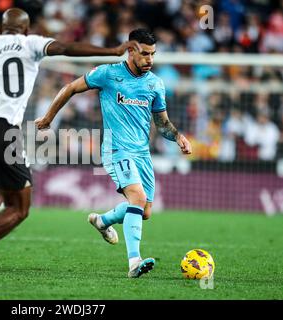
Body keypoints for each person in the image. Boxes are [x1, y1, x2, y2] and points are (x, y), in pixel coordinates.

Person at [0, 7, 140, 292]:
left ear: (0, 30)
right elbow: (65, 47)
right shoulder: (29, 43)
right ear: (25, 29)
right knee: (19, 209)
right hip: (3, 130)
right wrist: (113, 51)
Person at [35, 28, 192, 278]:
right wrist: (49, 117)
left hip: (142, 154)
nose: (150, 59)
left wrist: (178, 137)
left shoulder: (155, 83)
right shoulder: (108, 73)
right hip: (116, 149)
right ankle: (134, 262)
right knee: (138, 200)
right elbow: (71, 87)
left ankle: (102, 221)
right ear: (131, 51)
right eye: (144, 54)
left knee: (145, 211)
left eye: (153, 54)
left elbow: (162, 123)